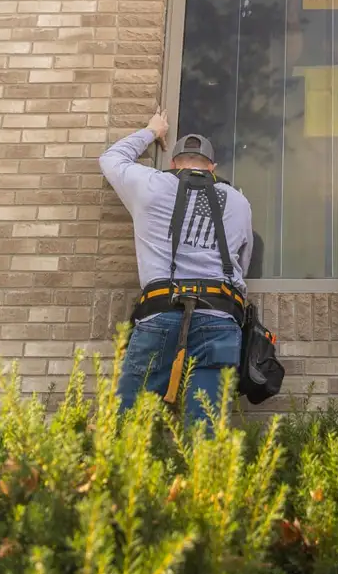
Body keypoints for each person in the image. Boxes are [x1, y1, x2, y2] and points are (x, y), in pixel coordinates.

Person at [99, 109, 254, 426]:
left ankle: (121, 473)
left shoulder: (148, 184)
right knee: (205, 426)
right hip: (219, 317)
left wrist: (152, 131)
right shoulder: (238, 201)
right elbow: (242, 262)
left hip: (161, 311)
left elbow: (111, 158)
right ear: (212, 167)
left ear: (173, 163)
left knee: (126, 422)